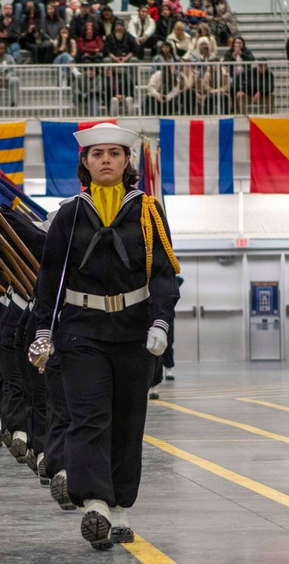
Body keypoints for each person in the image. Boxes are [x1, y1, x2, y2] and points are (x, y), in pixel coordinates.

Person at [31, 122, 180, 550]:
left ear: (127, 161)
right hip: (81, 333)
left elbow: (165, 275)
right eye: (97, 155)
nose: (106, 160)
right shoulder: (69, 214)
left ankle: (120, 509)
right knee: (89, 417)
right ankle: (95, 502)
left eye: (114, 153)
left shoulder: (149, 212)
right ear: (85, 163)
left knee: (128, 423)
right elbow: (49, 279)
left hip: (134, 333)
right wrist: (43, 328)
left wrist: (161, 322)